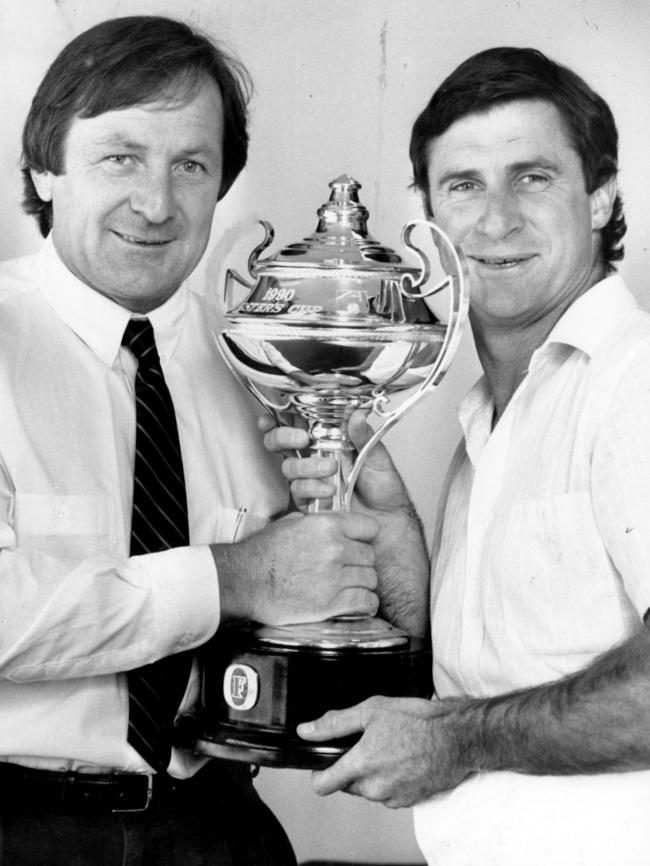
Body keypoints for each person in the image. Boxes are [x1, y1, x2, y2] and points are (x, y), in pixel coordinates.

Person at [0, 14, 416, 865]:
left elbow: (315, 615)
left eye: (191, 165)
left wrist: (372, 531)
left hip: (219, 829)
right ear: (46, 167)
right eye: (120, 156)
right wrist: (235, 577)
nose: (157, 203)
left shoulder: (259, 361)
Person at [268, 46, 650, 865]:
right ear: (429, 223)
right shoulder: (492, 413)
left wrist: (455, 746)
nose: (497, 219)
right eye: (464, 185)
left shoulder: (634, 382)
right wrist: (396, 525)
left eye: (534, 177)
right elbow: (481, 678)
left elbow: (466, 727)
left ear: (602, 196)